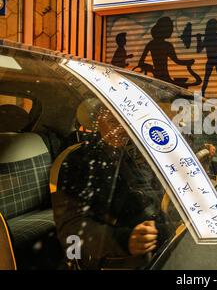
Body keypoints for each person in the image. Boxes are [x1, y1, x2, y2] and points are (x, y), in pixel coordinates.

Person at [52, 99, 161, 269]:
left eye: (124, 121)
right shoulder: (79, 160)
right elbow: (71, 228)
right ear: (97, 122)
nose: (120, 129)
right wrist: (125, 240)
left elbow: (156, 193)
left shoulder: (135, 154)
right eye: (111, 121)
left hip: (159, 242)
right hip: (114, 257)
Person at [138, 17, 195, 85]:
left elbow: (141, 63)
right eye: (170, 28)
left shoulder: (151, 44)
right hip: (164, 77)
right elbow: (177, 61)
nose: (171, 30)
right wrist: (188, 62)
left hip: (159, 76)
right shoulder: (167, 45)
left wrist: (153, 70)